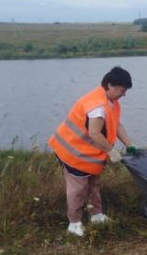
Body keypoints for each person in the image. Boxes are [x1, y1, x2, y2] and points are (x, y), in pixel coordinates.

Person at [48, 66, 136, 236]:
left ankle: (97, 215)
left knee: (93, 183)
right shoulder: (97, 106)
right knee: (77, 189)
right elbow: (94, 133)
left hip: (90, 155)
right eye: (122, 90)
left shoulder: (111, 102)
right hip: (73, 153)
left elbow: (115, 124)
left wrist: (129, 144)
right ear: (110, 85)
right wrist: (111, 151)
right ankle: (74, 224)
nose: (124, 94)